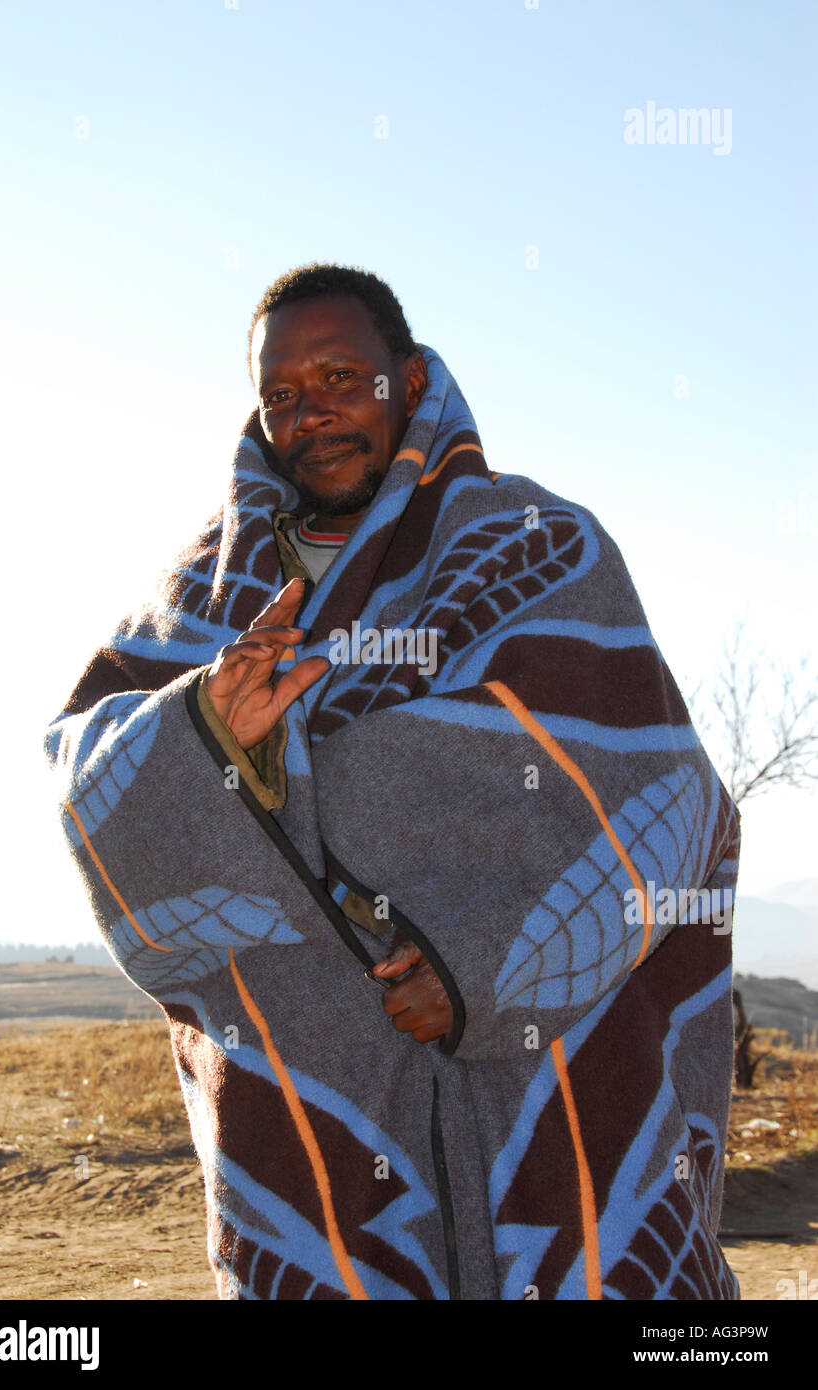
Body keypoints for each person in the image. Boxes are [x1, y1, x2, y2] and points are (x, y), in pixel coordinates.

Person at [46, 263, 741, 1301]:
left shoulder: (541, 546)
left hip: (547, 1083)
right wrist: (201, 732)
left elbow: (656, 788)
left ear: (411, 385)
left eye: (340, 376)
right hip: (300, 1112)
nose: (310, 410)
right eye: (281, 392)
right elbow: (87, 785)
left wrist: (478, 958)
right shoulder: (195, 596)